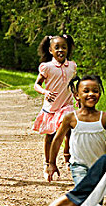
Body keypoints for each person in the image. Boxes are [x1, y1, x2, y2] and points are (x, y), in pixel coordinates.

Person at [46, 75, 106, 184]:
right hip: (78, 166)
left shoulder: (105, 118)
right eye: (86, 91)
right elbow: (57, 140)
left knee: (97, 196)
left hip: (99, 165)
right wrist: (51, 163)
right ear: (77, 96)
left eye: (95, 91)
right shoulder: (70, 118)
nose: (91, 94)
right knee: (84, 194)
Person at [33, 34, 77, 179]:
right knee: (50, 136)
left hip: (66, 104)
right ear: (50, 50)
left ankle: (67, 156)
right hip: (51, 108)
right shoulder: (47, 67)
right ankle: (48, 163)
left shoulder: (72, 66)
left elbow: (72, 83)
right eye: (57, 47)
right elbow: (36, 85)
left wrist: (77, 97)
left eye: (64, 47)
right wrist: (45, 92)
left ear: (68, 49)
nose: (60, 50)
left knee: (69, 129)